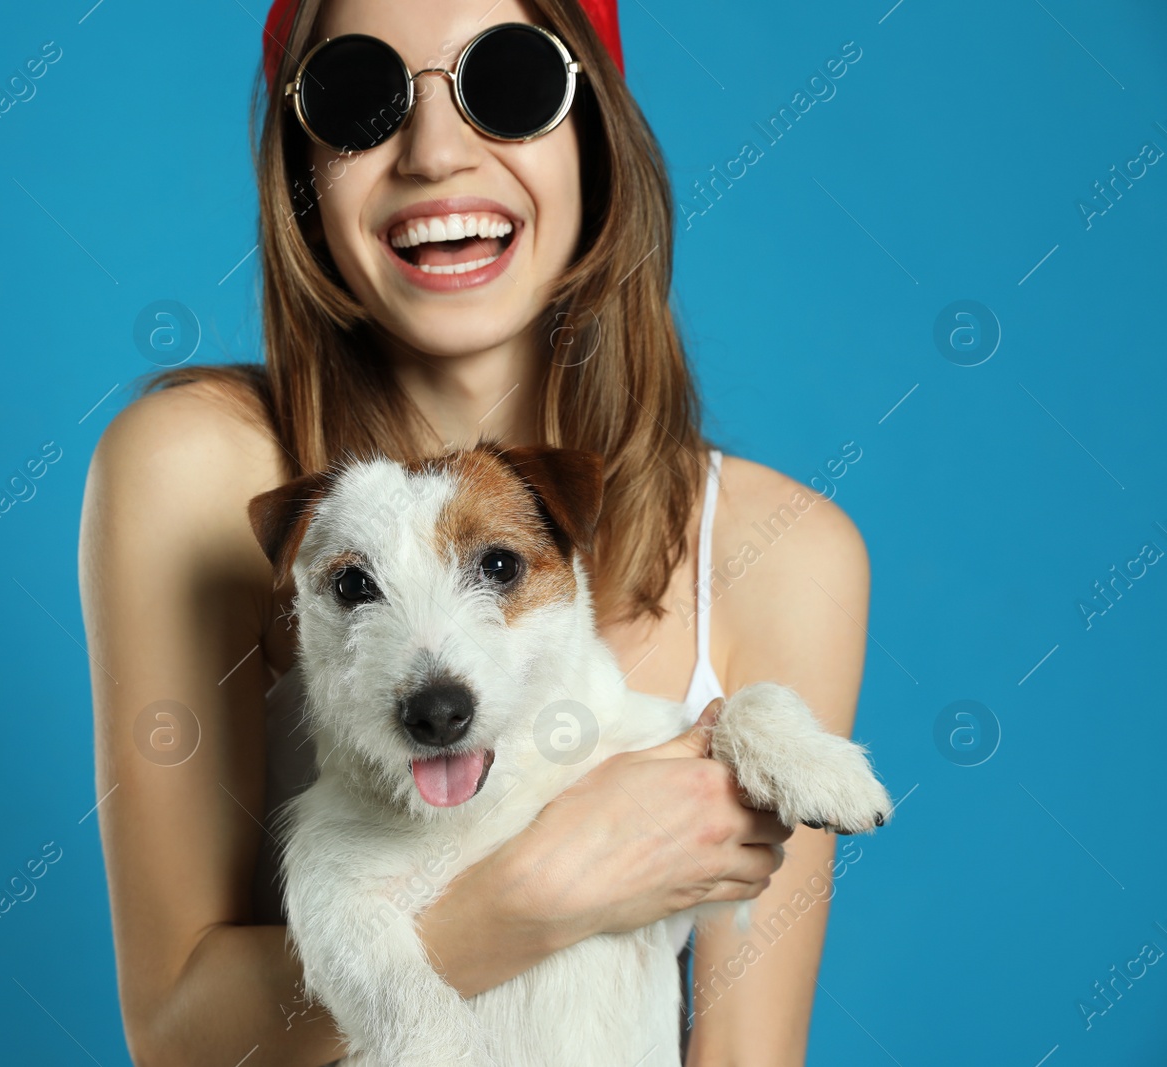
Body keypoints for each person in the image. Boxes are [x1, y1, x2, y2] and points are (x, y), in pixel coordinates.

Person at [77, 1, 872, 1063]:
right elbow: (180, 1040)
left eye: (509, 82)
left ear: (596, 131)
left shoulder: (787, 551)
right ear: (300, 169)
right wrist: (546, 883)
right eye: (358, 98)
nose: (437, 152)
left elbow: (744, 1057)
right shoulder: (193, 470)